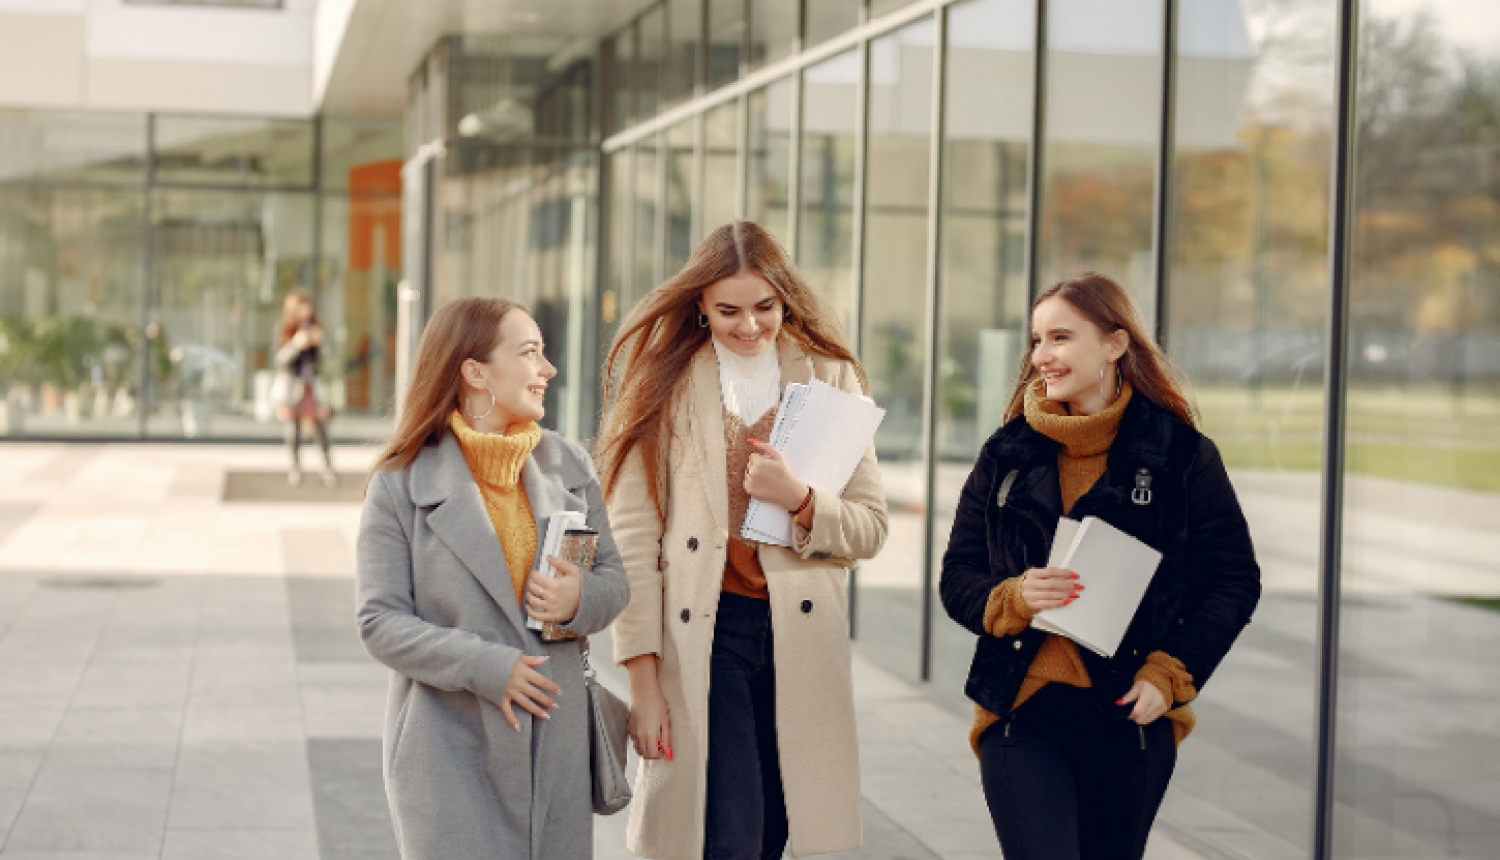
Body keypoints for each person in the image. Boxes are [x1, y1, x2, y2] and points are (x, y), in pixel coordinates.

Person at [939, 273, 1262, 860]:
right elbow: (958, 577)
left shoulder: (1181, 456)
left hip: (1129, 717)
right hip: (1021, 711)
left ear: (1115, 344)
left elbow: (1235, 582)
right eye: (1037, 341)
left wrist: (1170, 674)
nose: (1042, 356)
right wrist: (1013, 596)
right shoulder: (1006, 454)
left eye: (1060, 338)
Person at [597, 221, 888, 860]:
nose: (749, 326)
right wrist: (642, 685)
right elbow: (632, 538)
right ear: (699, 302)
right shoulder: (664, 380)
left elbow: (870, 526)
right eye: (728, 309)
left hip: (797, 636)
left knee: (780, 830)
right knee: (729, 832)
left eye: (765, 308)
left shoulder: (831, 377)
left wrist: (802, 500)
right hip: (706, 632)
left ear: (786, 300)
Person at [355, 297, 630, 860]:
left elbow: (614, 581)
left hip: (556, 749)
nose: (547, 369)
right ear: (475, 371)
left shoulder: (569, 465)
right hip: (448, 748)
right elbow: (379, 621)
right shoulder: (399, 484)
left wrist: (580, 596)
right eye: (530, 353)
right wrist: (486, 666)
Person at [273, 290, 335, 487]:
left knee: (321, 430)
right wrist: (295, 345)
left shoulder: (316, 328)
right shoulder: (284, 329)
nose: (305, 310)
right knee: (293, 431)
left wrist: (320, 342)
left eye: (307, 305)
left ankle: (327, 468)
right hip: (293, 386)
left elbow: (328, 360)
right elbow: (278, 360)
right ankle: (295, 468)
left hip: (312, 387)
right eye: (301, 306)